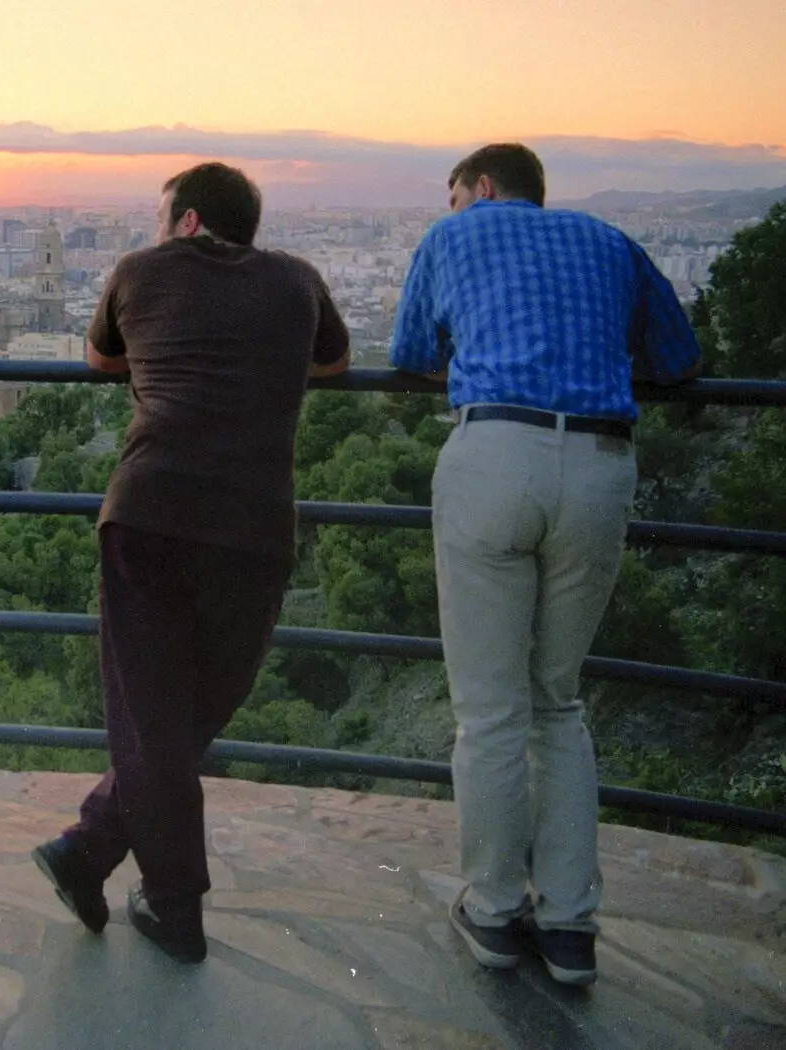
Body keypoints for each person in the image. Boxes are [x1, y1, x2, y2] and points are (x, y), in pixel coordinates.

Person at [390, 143, 701, 986]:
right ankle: (570, 929)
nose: (453, 208)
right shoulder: (610, 240)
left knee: (490, 712)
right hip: (601, 465)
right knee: (556, 703)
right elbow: (680, 359)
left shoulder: (453, 239)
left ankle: (493, 912)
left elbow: (411, 353)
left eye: (455, 195)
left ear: (481, 188)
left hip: (493, 453)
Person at [32, 162, 351, 963]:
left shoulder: (139, 272)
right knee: (200, 706)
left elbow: (101, 361)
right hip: (254, 525)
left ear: (187, 220)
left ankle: (100, 853)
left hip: (149, 513)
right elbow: (335, 365)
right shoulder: (298, 282)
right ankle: (164, 899)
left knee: (153, 716)